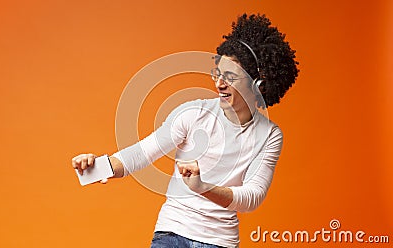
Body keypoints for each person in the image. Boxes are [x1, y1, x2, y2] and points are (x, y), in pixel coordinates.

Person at [72, 13, 299, 248]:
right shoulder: (193, 113)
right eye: (217, 74)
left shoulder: (269, 135)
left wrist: (203, 188)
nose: (219, 83)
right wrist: (96, 167)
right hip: (172, 232)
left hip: (220, 241)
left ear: (257, 84)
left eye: (230, 77)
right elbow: (142, 153)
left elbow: (251, 198)